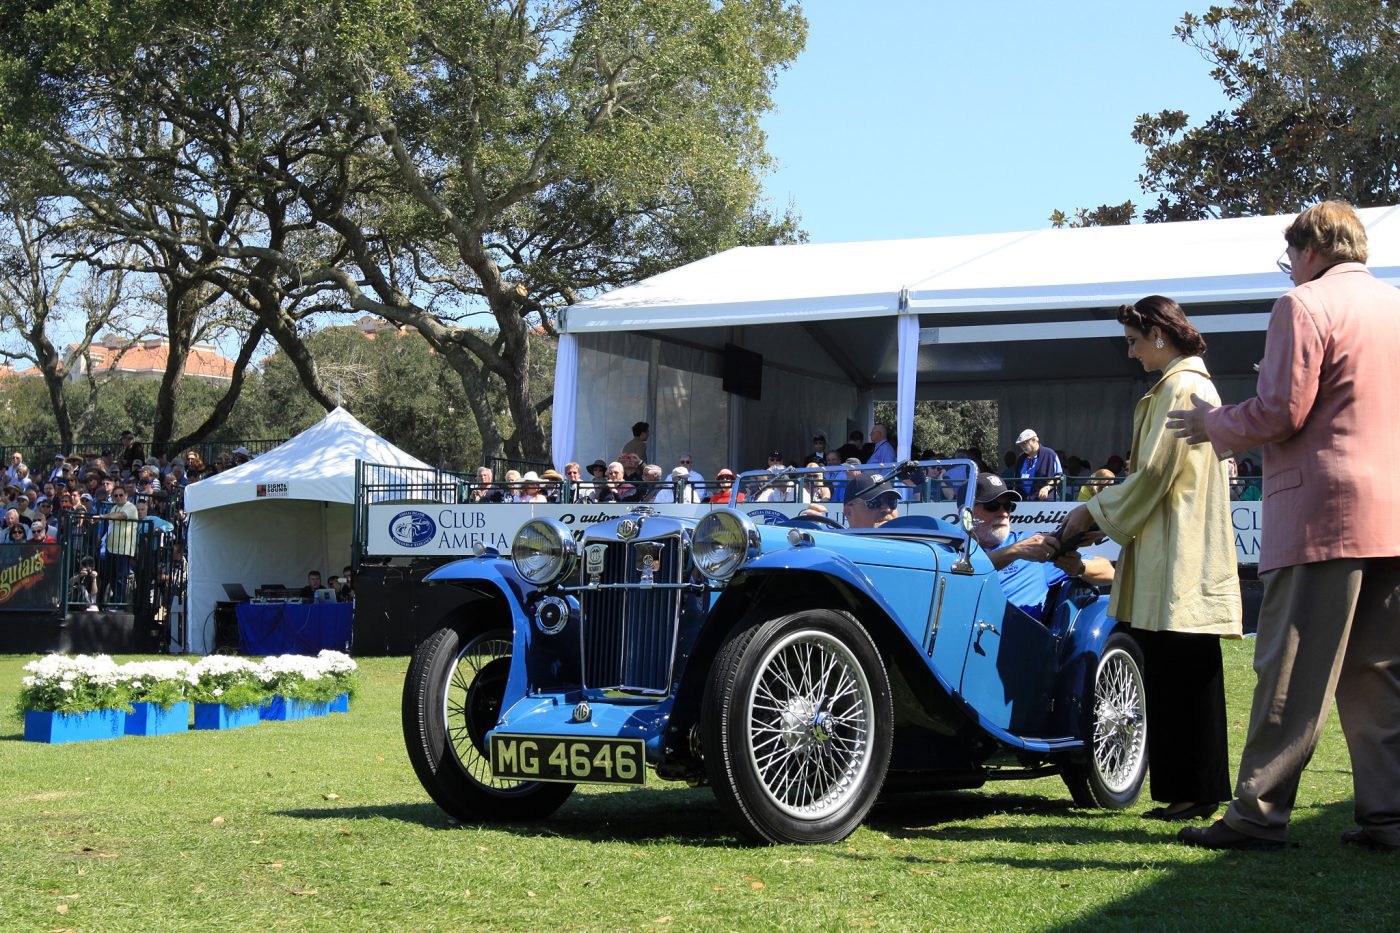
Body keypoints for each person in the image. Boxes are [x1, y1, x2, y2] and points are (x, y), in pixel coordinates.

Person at [1166, 202, 1400, 852]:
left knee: (1291, 669)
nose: (1290, 269)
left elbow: (1282, 409)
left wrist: (1214, 424)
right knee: (1378, 671)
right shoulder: (1394, 305)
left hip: (1324, 511)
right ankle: (1388, 814)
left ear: (1310, 250)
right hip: (1393, 514)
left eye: (1290, 256)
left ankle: (1258, 812)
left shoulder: (1303, 306)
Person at [1058, 295, 1242, 825]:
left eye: (1134, 342)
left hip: (1179, 548)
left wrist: (1087, 513)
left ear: (1159, 334)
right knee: (1175, 667)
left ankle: (1197, 790)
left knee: (1184, 668)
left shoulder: (1183, 387)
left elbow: (1156, 474)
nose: (1133, 353)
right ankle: (1189, 790)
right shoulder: (1182, 385)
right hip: (1170, 544)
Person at [971, 473, 1112, 622]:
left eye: (1008, 506)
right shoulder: (951, 549)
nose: (1004, 513)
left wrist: (1078, 566)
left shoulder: (1031, 544)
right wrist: (1013, 552)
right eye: (992, 506)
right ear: (966, 512)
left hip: (1014, 637)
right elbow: (960, 574)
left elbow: (1109, 571)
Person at [100, 486, 139, 604]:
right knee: (111, 577)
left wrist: (103, 516)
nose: (118, 497)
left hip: (123, 549)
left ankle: (119, 604)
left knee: (120, 578)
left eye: (121, 495)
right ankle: (112, 601)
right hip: (111, 548)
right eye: (115, 495)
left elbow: (122, 515)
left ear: (126, 496)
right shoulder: (114, 508)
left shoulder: (130, 507)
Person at [1013, 429, 1063, 500]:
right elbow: (1016, 479)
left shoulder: (1050, 454)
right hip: (1023, 502)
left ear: (1034, 440)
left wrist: (1047, 487)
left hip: (1045, 501)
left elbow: (1059, 476)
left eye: (1025, 443)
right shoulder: (1020, 458)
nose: (1022, 446)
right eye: (1020, 444)